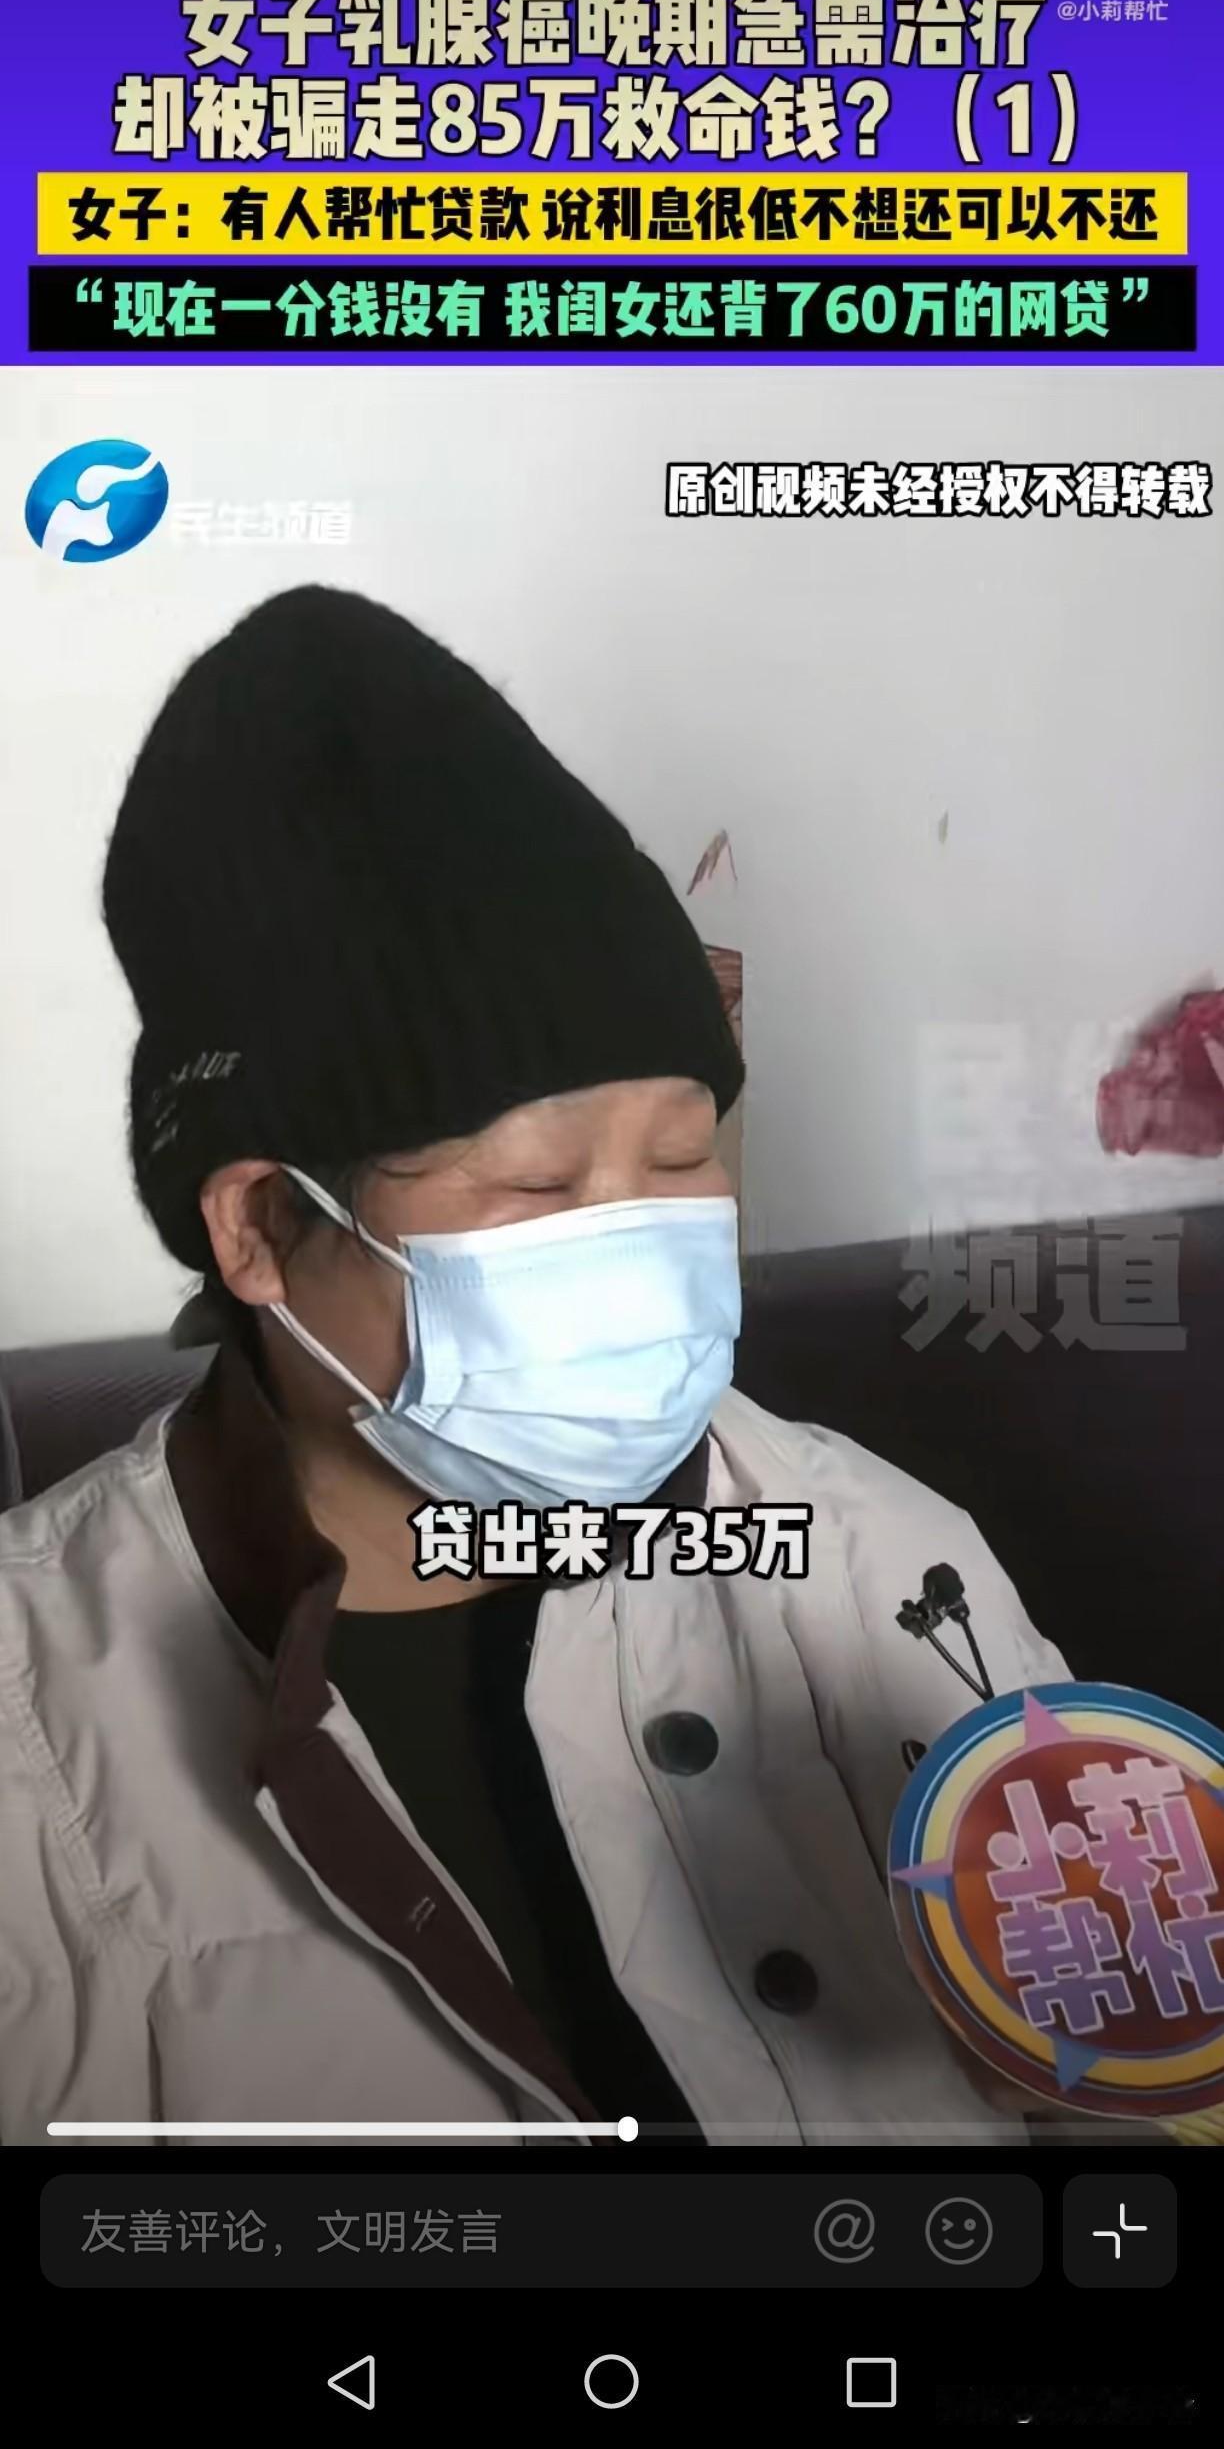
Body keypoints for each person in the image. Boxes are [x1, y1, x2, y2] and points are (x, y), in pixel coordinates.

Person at [0, 586, 1069, 2149]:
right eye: (538, 1185)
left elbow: (1114, 2069)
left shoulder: (878, 1563)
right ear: (261, 1227)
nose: (639, 1239)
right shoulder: (36, 1722)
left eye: (683, 1156)